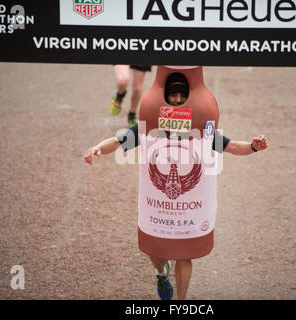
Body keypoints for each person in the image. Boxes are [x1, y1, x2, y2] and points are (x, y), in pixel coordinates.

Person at [85, 72, 268, 300]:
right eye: (173, 95)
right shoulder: (149, 127)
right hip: (158, 211)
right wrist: (97, 149)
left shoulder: (203, 131)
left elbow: (232, 147)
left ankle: (179, 303)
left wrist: (253, 146)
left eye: (183, 95)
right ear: (166, 97)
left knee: (184, 256)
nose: (179, 99)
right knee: (156, 253)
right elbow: (117, 141)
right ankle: (161, 274)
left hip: (189, 213)